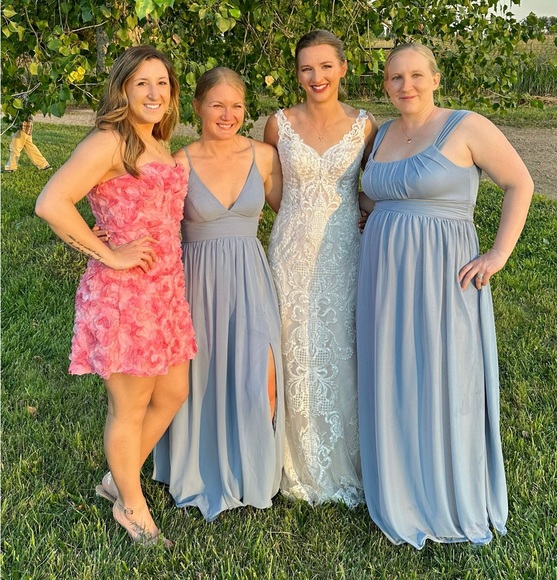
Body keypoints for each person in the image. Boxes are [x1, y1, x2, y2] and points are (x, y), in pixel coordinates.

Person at [356, 42, 534, 549]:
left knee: (445, 373)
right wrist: (371, 213)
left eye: (416, 75)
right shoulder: (382, 134)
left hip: (443, 274)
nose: (406, 85)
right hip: (384, 276)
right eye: (395, 77)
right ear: (385, 85)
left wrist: (498, 254)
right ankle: (399, 484)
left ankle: (446, 491)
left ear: (435, 79)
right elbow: (374, 194)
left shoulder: (467, 126)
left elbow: (519, 184)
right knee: (393, 373)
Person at [35, 45, 196, 546]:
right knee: (130, 407)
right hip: (124, 294)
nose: (154, 92)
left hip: (166, 289)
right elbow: (51, 203)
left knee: (173, 392)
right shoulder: (109, 141)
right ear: (123, 88)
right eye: (142, 83)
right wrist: (111, 254)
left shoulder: (159, 142)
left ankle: (116, 478)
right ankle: (131, 506)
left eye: (162, 83)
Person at [152, 67, 285, 521]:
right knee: (201, 380)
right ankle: (202, 465)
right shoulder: (180, 161)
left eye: (237, 106)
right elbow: (156, 223)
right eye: (217, 105)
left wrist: (367, 210)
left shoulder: (264, 156)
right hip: (197, 284)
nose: (228, 115)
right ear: (197, 107)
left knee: (261, 380)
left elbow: (295, 212)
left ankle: (255, 471)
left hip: (251, 280)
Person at [263, 30, 377, 506]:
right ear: (297, 74)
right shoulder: (278, 125)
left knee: (342, 344)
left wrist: (368, 212)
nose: (317, 77)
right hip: (291, 250)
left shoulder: (366, 126)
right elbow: (273, 189)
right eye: (307, 68)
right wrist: (299, 218)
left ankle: (346, 458)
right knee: (292, 343)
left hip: (345, 251)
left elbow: (371, 185)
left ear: (343, 68)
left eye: (326, 66)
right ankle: (291, 459)